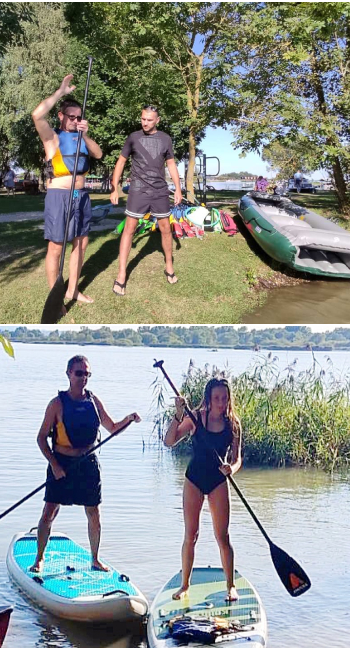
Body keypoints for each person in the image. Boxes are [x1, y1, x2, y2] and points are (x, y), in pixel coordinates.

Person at [30, 356, 140, 573]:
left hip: (88, 463)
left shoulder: (94, 401)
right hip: (62, 463)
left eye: (86, 374)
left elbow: (112, 427)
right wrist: (54, 465)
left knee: (94, 513)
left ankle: (95, 559)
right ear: (69, 374)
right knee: (49, 512)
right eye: (78, 373)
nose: (83, 378)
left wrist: (128, 419)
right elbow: (41, 438)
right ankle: (39, 559)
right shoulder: (56, 404)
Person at [164, 377, 244, 601]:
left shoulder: (233, 423)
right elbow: (169, 441)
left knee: (223, 536)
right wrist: (178, 414)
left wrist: (232, 468)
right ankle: (185, 585)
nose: (221, 402)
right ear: (208, 399)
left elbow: (237, 458)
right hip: (195, 479)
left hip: (218, 480)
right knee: (191, 535)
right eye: (216, 398)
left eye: (224, 398)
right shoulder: (196, 418)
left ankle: (230, 586)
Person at [32, 74, 104, 306]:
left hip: (80, 195)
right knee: (56, 246)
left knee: (81, 243)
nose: (74, 120)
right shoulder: (52, 137)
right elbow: (37, 115)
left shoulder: (82, 137)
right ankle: (55, 296)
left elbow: (98, 154)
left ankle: (72, 290)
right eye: (70, 117)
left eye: (78, 117)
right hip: (59, 195)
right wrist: (60, 92)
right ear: (61, 116)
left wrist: (86, 133)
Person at [109, 105, 183, 296]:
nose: (145, 122)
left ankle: (168, 265)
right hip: (138, 191)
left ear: (157, 120)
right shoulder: (133, 137)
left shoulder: (166, 139)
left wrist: (178, 188)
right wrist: (114, 187)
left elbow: (171, 164)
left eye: (149, 119)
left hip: (159, 191)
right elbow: (121, 161)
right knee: (129, 230)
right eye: (143, 118)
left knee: (166, 229)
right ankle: (121, 274)